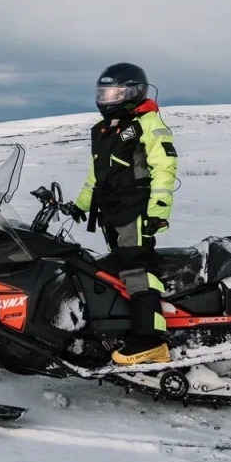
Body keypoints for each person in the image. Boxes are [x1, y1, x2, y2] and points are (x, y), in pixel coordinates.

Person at [69, 62, 178, 365]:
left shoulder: (147, 122)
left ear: (134, 92)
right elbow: (96, 176)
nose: (107, 98)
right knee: (115, 268)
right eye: (103, 92)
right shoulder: (103, 130)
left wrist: (158, 209)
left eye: (115, 92)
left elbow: (164, 166)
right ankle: (121, 326)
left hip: (136, 208)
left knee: (137, 267)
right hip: (112, 211)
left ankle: (150, 339)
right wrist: (81, 205)